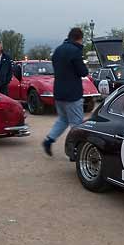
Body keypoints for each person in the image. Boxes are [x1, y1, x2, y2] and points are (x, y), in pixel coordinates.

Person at [42, 27, 89, 156]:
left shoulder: (57, 50)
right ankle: (74, 150)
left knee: (63, 119)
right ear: (79, 38)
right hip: (72, 93)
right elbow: (82, 72)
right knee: (76, 124)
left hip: (59, 91)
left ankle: (49, 139)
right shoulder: (75, 51)